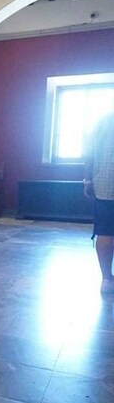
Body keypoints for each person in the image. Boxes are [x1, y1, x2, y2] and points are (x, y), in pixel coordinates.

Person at [84, 112, 114, 293]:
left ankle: (107, 279)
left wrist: (87, 180)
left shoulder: (104, 120)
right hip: (105, 184)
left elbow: (89, 153)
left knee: (105, 232)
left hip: (106, 184)